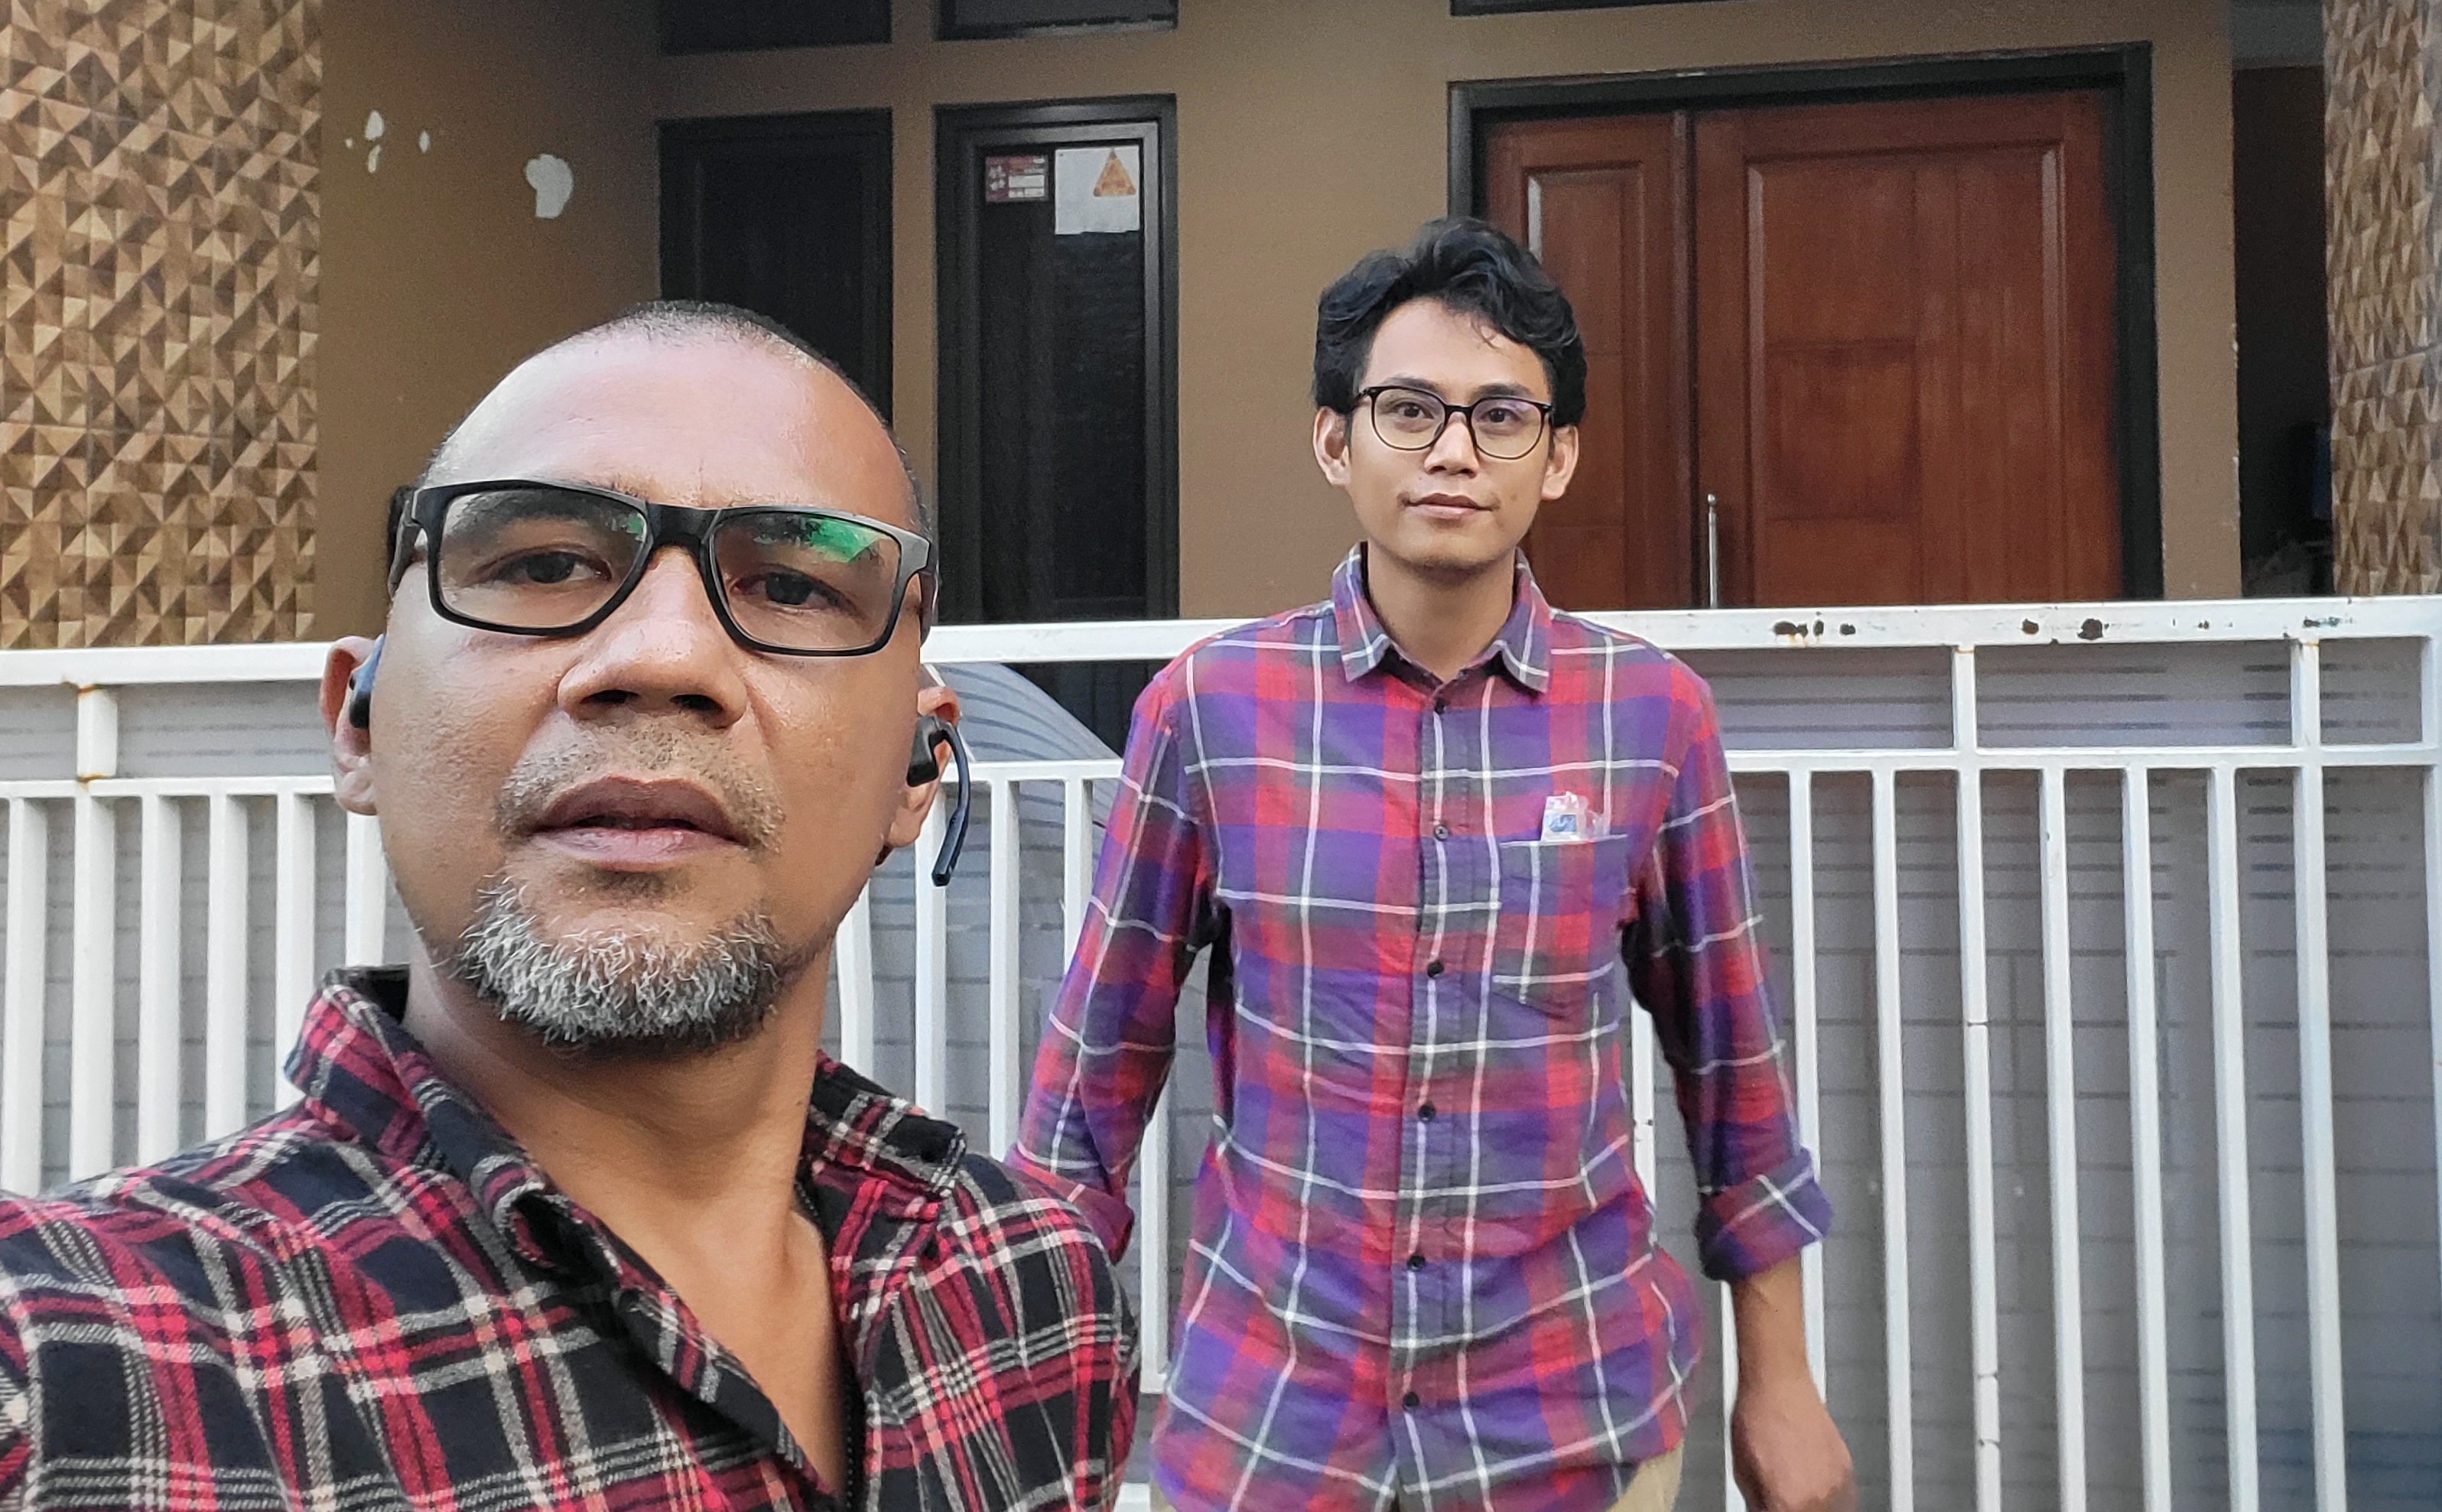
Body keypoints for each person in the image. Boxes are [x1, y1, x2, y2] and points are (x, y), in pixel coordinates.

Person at [0, 303, 1135, 1511]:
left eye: (792, 585)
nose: (661, 659)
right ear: (359, 722)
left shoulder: (1036, 1292)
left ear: (917, 769)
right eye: (542, 566)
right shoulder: (72, 1368)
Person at [1017, 219, 1856, 1512]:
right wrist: (1037, 1365)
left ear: (1558, 456)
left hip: (1569, 1415)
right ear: (1333, 440)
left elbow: (1733, 1066)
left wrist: (1781, 1379)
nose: (1454, 450)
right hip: (1274, 1420)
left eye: (1501, 416)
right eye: (1409, 410)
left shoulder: (1653, 719)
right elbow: (1097, 1066)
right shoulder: (1210, 709)